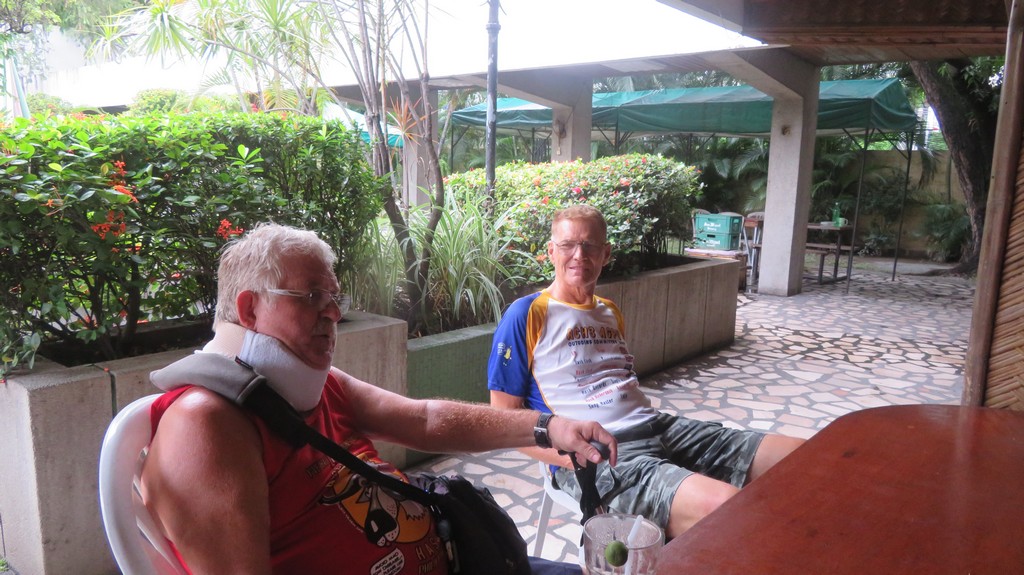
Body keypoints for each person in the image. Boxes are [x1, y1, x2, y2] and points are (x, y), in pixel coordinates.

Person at [141, 222, 617, 575]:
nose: (333, 313)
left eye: (334, 297)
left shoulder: (319, 384)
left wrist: (549, 427)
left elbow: (424, 420)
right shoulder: (206, 422)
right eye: (311, 296)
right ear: (249, 308)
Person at [488, 204, 804, 540]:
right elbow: (503, 418)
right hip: (596, 452)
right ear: (552, 251)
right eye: (567, 245)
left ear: (605, 253)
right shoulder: (526, 314)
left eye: (589, 245)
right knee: (727, 508)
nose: (579, 255)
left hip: (658, 427)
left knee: (802, 456)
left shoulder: (609, 311)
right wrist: (571, 458)